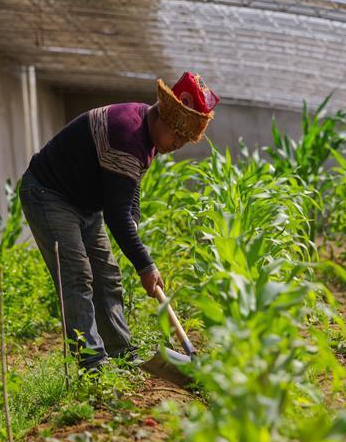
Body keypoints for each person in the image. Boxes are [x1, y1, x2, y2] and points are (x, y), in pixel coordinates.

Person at [20, 72, 220, 371]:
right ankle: (92, 364)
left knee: (108, 274)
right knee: (77, 275)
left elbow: (130, 188)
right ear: (164, 118)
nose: (178, 144)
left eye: (184, 140)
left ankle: (120, 354)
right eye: (178, 136)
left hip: (84, 204)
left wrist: (133, 222)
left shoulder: (147, 132)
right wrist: (145, 264)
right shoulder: (128, 132)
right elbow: (116, 214)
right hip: (50, 194)